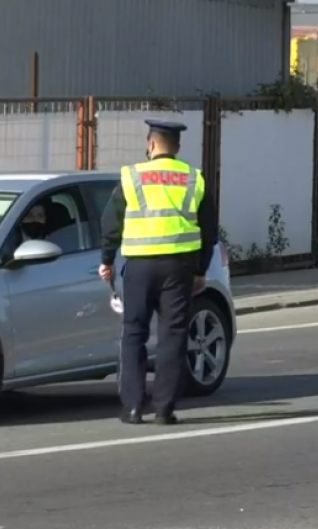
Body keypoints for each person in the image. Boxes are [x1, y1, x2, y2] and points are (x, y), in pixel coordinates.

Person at [98, 119, 218, 426]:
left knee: (134, 332)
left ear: (151, 145)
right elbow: (209, 233)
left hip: (139, 265)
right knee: (172, 335)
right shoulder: (194, 178)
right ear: (177, 147)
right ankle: (164, 409)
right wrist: (201, 271)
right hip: (179, 267)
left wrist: (107, 260)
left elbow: (111, 223)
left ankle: (133, 408)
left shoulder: (132, 177)